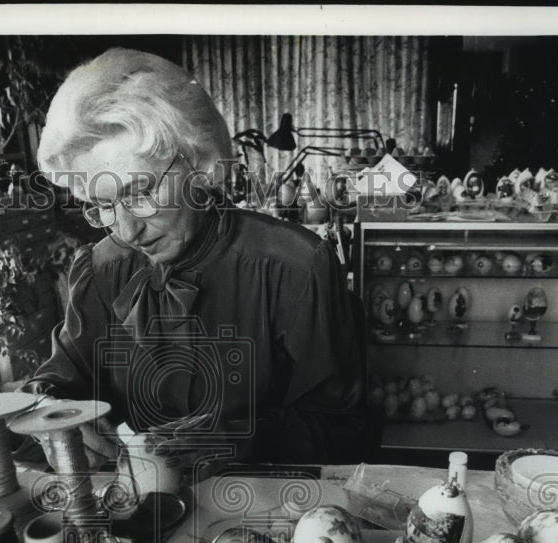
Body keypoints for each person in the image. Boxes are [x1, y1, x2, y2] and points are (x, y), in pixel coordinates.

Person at [20, 48, 370, 466]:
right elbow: (57, 382)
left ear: (199, 162)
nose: (127, 231)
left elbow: (346, 428)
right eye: (103, 205)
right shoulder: (98, 270)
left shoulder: (295, 267)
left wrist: (244, 441)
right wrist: (51, 418)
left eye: (141, 192)